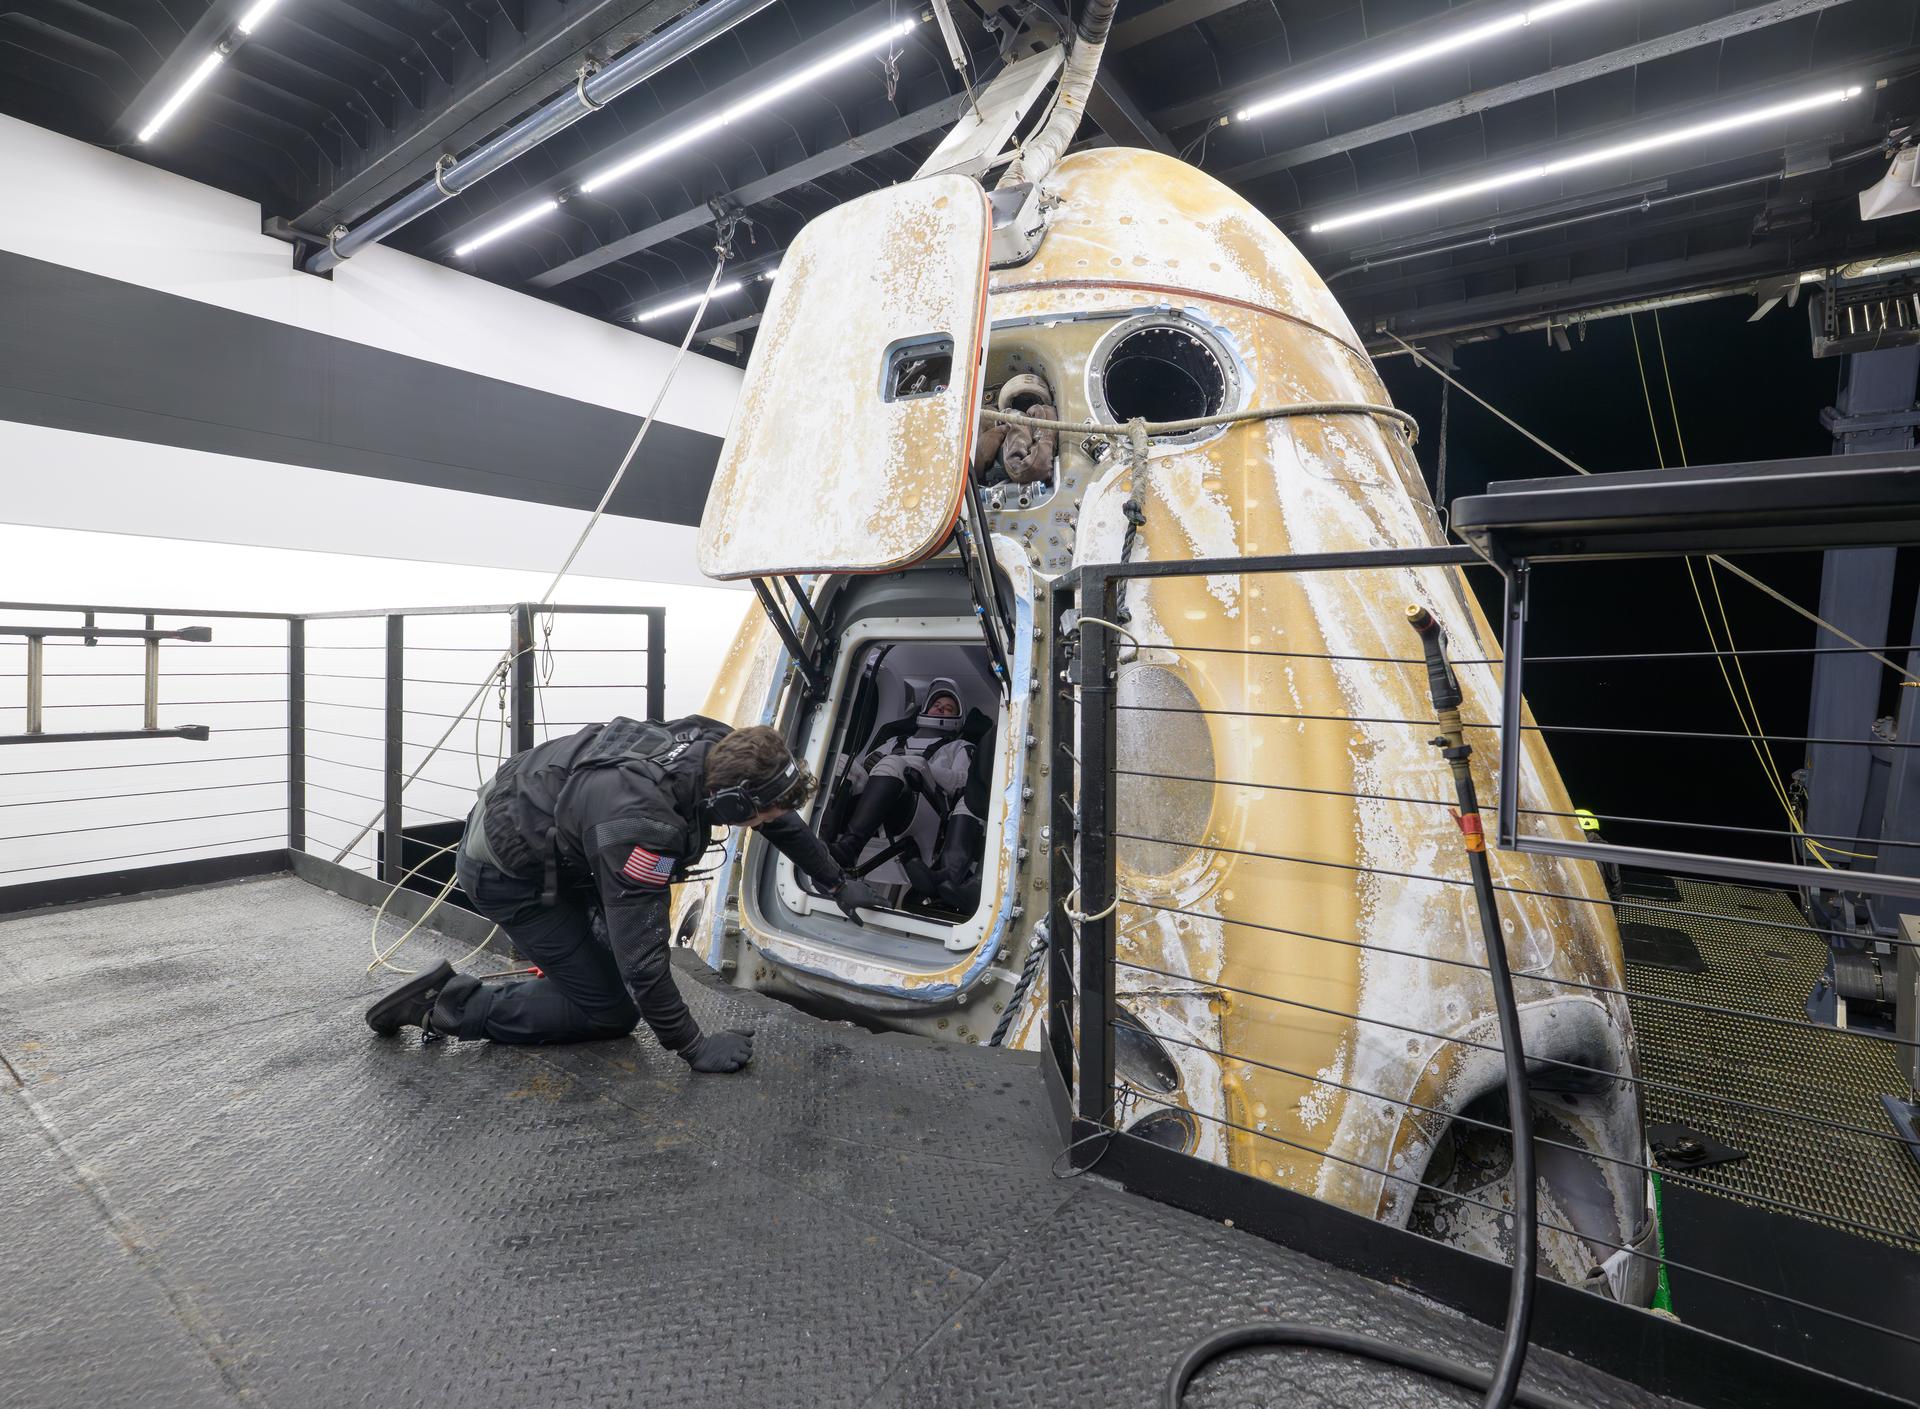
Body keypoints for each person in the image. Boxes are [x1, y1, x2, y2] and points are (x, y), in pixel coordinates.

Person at [364, 716, 880, 1072]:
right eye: (759, 814)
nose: (767, 821)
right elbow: (644, 957)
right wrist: (693, 1046)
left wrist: (834, 881)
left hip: (555, 842)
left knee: (605, 967)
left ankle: (562, 966)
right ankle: (448, 1006)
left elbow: (778, 815)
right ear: (728, 802)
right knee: (610, 1012)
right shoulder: (642, 826)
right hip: (510, 878)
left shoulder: (717, 746)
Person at [829, 679, 984, 911]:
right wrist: (871, 763)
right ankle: (824, 838)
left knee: (892, 763)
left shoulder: (959, 747)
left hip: (923, 809)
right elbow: (861, 773)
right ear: (926, 708)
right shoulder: (894, 740)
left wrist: (921, 766)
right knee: (843, 764)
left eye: (949, 707)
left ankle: (849, 849)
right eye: (937, 704)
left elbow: (961, 782)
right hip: (876, 798)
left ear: (957, 718)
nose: (941, 708)